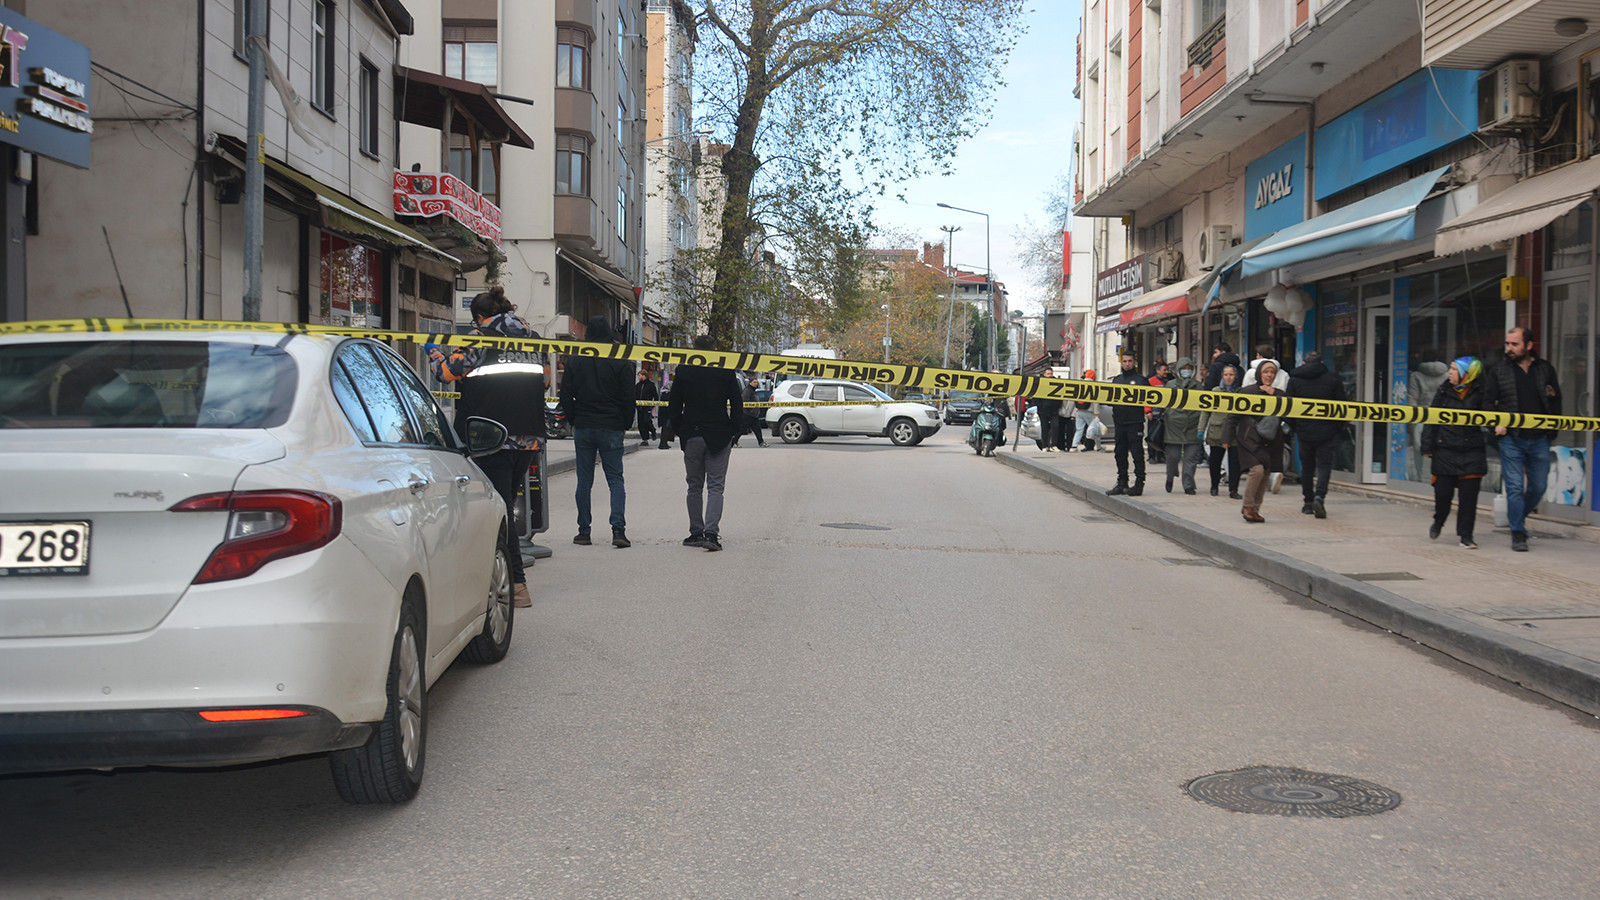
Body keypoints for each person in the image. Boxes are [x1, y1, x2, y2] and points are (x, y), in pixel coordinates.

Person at [428, 286, 544, 607]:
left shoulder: (480, 338)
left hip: (491, 438)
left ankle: (516, 584)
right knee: (501, 509)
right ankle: (491, 576)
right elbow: (541, 381)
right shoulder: (533, 339)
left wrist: (434, 351)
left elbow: (445, 373)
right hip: (529, 438)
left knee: (499, 514)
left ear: (480, 317)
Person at [1480, 326, 1562, 551]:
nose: (1509, 348)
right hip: (1511, 438)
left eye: (1514, 344)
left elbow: (1555, 399)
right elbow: (1487, 403)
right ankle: (1518, 533)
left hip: (1540, 438)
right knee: (1515, 487)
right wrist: (1495, 425)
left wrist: (1552, 429)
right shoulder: (1499, 371)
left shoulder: (1544, 369)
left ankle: (1517, 517)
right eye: (1507, 344)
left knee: (1539, 486)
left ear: (1529, 345)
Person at [559, 315, 635, 548]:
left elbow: (565, 394)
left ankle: (584, 531)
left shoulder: (576, 358)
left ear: (588, 333)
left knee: (584, 481)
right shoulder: (620, 358)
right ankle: (618, 529)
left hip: (584, 425)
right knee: (615, 479)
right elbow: (628, 396)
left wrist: (574, 419)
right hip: (611, 425)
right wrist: (625, 422)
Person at [667, 335, 745, 551]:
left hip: (692, 433)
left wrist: (681, 428)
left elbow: (674, 403)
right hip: (719, 434)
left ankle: (696, 533)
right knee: (716, 487)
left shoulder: (684, 370)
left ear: (694, 349)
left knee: (694, 486)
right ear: (716, 349)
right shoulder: (725, 370)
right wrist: (733, 430)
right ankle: (711, 534)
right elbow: (737, 403)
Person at [1421, 356, 1487, 549]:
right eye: (1450, 368)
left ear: (1467, 374)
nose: (1449, 372)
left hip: (1472, 451)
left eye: (1454, 369)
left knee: (1468, 499)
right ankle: (1439, 521)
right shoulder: (1443, 391)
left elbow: (1491, 417)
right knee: (1443, 495)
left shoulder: (1481, 393)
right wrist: (1427, 446)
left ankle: (1466, 536)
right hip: (1445, 450)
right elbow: (1431, 419)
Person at [1222, 359, 1287, 523]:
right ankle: (1247, 507)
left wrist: (1274, 395)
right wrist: (1226, 438)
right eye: (1266, 372)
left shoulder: (1280, 394)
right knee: (1257, 470)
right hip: (1249, 440)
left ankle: (1255, 509)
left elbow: (1289, 412)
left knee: (1265, 473)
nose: (1269, 375)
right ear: (1259, 374)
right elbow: (1233, 416)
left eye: (1272, 372)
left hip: (1270, 442)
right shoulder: (1247, 392)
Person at [1288, 350, 1346, 519]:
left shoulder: (1295, 379)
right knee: (1324, 466)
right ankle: (1320, 497)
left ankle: (1308, 502)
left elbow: (1288, 406)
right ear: (1321, 363)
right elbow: (1342, 405)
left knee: (1307, 467)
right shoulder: (1333, 378)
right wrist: (1337, 427)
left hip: (1304, 431)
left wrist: (1294, 427)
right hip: (1327, 431)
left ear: (1304, 363)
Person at [1106, 352, 1149, 496]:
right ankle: (1122, 482)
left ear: (1134, 362)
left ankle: (1139, 483)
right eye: (1124, 361)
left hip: (1135, 422)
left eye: (1130, 361)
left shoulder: (1141, 380)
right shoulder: (1117, 380)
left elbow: (1150, 398)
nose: (1127, 364)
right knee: (1120, 453)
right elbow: (1110, 398)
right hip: (1120, 422)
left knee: (1137, 453)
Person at [1199, 364, 1243, 499]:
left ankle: (1233, 489)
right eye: (1226, 375)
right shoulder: (1215, 391)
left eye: (1231, 375)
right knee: (1215, 461)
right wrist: (1201, 429)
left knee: (1235, 463)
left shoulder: (1241, 392)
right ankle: (1214, 486)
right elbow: (1206, 412)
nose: (1228, 377)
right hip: (1217, 430)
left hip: (1235, 433)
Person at [1162, 357, 1204, 494]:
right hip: (1173, 427)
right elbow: (1164, 402)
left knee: (1190, 459)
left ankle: (1188, 485)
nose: (1187, 371)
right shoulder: (1171, 385)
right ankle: (1170, 477)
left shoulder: (1198, 386)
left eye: (1189, 369)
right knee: (1172, 457)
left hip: (1193, 425)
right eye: (1184, 369)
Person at [1145, 360, 1171, 463]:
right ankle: (1151, 456)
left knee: (1162, 436)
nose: (1166, 372)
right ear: (1158, 371)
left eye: (1167, 370)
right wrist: (1148, 411)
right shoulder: (1150, 381)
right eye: (1164, 370)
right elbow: (1146, 397)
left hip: (1165, 414)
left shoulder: (1169, 382)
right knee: (1153, 435)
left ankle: (1160, 455)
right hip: (1154, 414)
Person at [1033, 368, 1064, 452]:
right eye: (1048, 374)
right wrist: (1040, 406)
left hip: (1054, 410)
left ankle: (1053, 445)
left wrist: (1057, 405)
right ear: (1044, 374)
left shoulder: (1056, 383)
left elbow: (1060, 396)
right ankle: (1044, 446)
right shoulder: (1040, 383)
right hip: (1043, 410)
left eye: (1051, 373)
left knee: (1055, 427)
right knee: (1044, 428)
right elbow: (1035, 396)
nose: (1050, 375)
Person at [1070, 369, 1097, 451]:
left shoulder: (1080, 385)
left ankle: (1074, 446)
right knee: (1093, 429)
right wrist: (1096, 413)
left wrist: (1073, 414)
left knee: (1079, 430)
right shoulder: (1094, 386)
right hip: (1089, 411)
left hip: (1079, 410)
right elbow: (1096, 401)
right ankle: (1097, 446)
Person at [739, 375, 767, 447]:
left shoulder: (753, 390)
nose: (756, 384)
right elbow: (744, 401)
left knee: (757, 429)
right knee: (742, 429)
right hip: (748, 415)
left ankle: (761, 442)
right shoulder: (747, 390)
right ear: (750, 383)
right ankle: (733, 442)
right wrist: (750, 410)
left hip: (753, 415)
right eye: (754, 382)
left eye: (757, 382)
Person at [635, 369, 659, 445]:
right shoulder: (638, 385)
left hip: (647, 407)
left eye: (639, 376)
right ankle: (645, 439)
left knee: (646, 421)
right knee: (641, 424)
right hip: (639, 407)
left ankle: (653, 430)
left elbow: (656, 396)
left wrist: (652, 405)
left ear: (644, 376)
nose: (639, 377)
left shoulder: (650, 385)